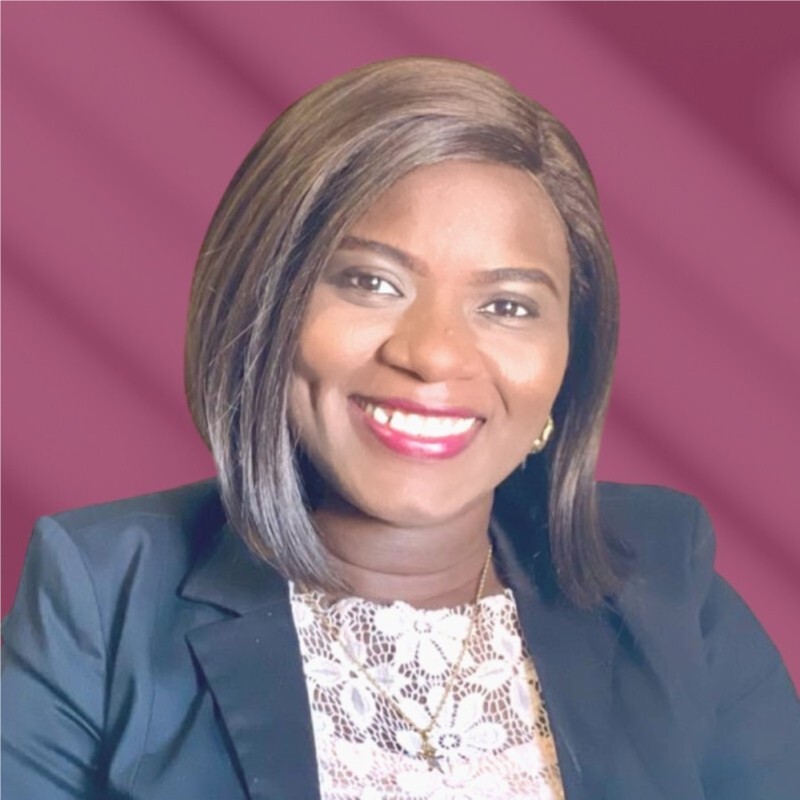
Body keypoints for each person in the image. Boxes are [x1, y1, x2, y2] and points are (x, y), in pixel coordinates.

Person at [2, 56, 799, 800]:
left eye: (508, 306)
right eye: (372, 282)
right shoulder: (105, 596)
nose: (434, 354)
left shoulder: (663, 581)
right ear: (266, 307)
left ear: (568, 362)